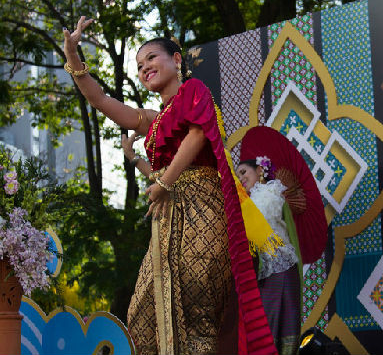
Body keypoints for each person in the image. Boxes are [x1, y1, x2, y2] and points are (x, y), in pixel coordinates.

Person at [62, 17, 279, 355]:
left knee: (197, 309)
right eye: (139, 65)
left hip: (205, 213)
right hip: (167, 222)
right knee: (143, 314)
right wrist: (73, 57)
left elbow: (197, 134)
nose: (144, 67)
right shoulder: (153, 119)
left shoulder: (194, 91)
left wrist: (164, 181)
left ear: (177, 59)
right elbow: (102, 101)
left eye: (151, 57)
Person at [237, 157, 302, 355]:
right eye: (238, 176)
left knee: (282, 326)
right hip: (265, 273)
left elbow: (259, 223)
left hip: (281, 268)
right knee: (265, 327)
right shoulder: (249, 202)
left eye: (244, 172)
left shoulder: (270, 193)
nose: (241, 179)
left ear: (259, 170)